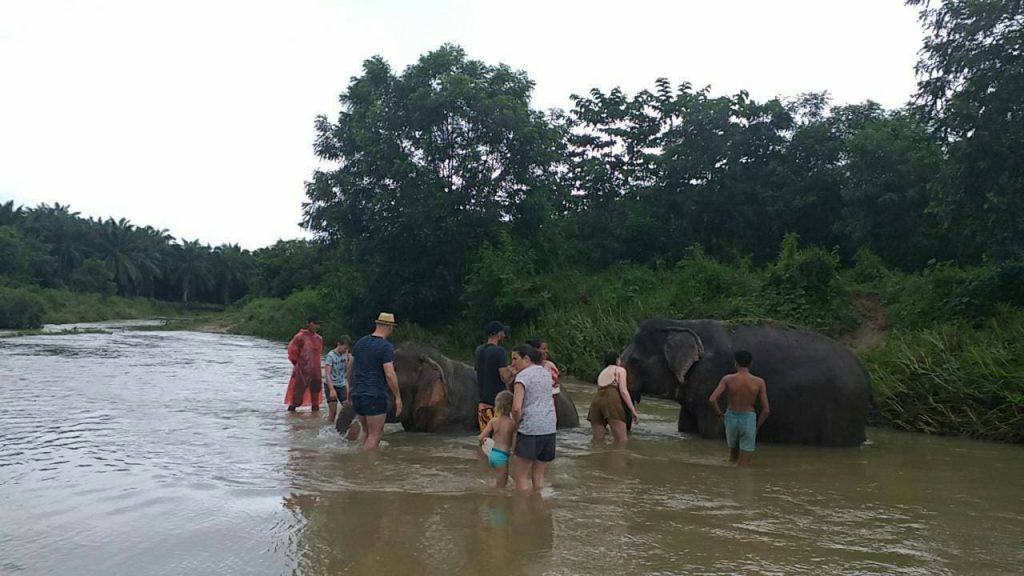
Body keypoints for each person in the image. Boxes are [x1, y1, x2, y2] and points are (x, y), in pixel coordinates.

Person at [346, 312, 403, 450]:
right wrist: (397, 397)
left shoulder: (360, 343)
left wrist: (350, 388)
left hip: (358, 395)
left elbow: (349, 367)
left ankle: (360, 463)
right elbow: (389, 373)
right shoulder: (386, 347)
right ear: (390, 328)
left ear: (377, 324)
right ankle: (367, 467)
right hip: (374, 396)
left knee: (366, 433)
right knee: (375, 435)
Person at [708, 350, 770, 466]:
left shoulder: (727, 379)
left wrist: (720, 415)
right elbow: (766, 410)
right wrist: (756, 426)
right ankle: (742, 483)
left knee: (732, 460)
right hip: (748, 418)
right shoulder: (759, 382)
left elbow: (712, 399)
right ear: (751, 364)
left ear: (735, 363)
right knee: (744, 465)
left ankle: (730, 482)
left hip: (731, 417)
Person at [510, 344, 556, 491]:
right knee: (539, 477)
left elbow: (516, 407)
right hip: (549, 428)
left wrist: (515, 425)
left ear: (526, 358)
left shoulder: (522, 376)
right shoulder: (545, 373)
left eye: (515, 358)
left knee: (521, 477)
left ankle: (523, 512)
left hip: (530, 428)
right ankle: (538, 508)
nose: (512, 363)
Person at [587, 351, 640, 443]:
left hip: (596, 401)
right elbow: (624, 391)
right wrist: (633, 411)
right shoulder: (620, 370)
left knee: (597, 441)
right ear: (617, 360)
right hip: (611, 399)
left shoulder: (602, 372)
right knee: (622, 441)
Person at [475, 321, 514, 432]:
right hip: (498, 405)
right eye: (503, 332)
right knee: (500, 438)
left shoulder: (478, 351)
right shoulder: (500, 352)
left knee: (486, 440)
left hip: (483, 404)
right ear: (498, 334)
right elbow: (504, 377)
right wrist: (511, 372)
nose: (504, 335)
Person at [284, 314, 324, 412]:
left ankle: (314, 421)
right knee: (296, 397)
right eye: (314, 323)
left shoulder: (319, 338)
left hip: (316, 372)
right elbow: (292, 351)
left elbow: (318, 354)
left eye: (318, 324)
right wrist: (298, 365)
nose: (316, 326)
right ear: (308, 323)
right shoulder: (300, 337)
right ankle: (292, 419)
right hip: (302, 372)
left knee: (315, 398)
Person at [477, 390, 516, 488]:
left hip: (492, 454)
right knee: (501, 488)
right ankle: (496, 502)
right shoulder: (512, 423)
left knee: (498, 481)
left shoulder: (493, 421)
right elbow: (516, 441)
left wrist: (484, 443)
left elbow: (480, 438)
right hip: (502, 456)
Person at [324, 335, 352, 424]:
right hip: (331, 384)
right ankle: (328, 429)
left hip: (342, 384)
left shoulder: (345, 355)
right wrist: (332, 390)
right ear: (338, 344)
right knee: (333, 411)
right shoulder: (330, 356)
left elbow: (347, 372)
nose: (345, 350)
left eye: (347, 349)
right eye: (344, 348)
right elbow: (327, 374)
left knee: (347, 407)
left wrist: (350, 360)